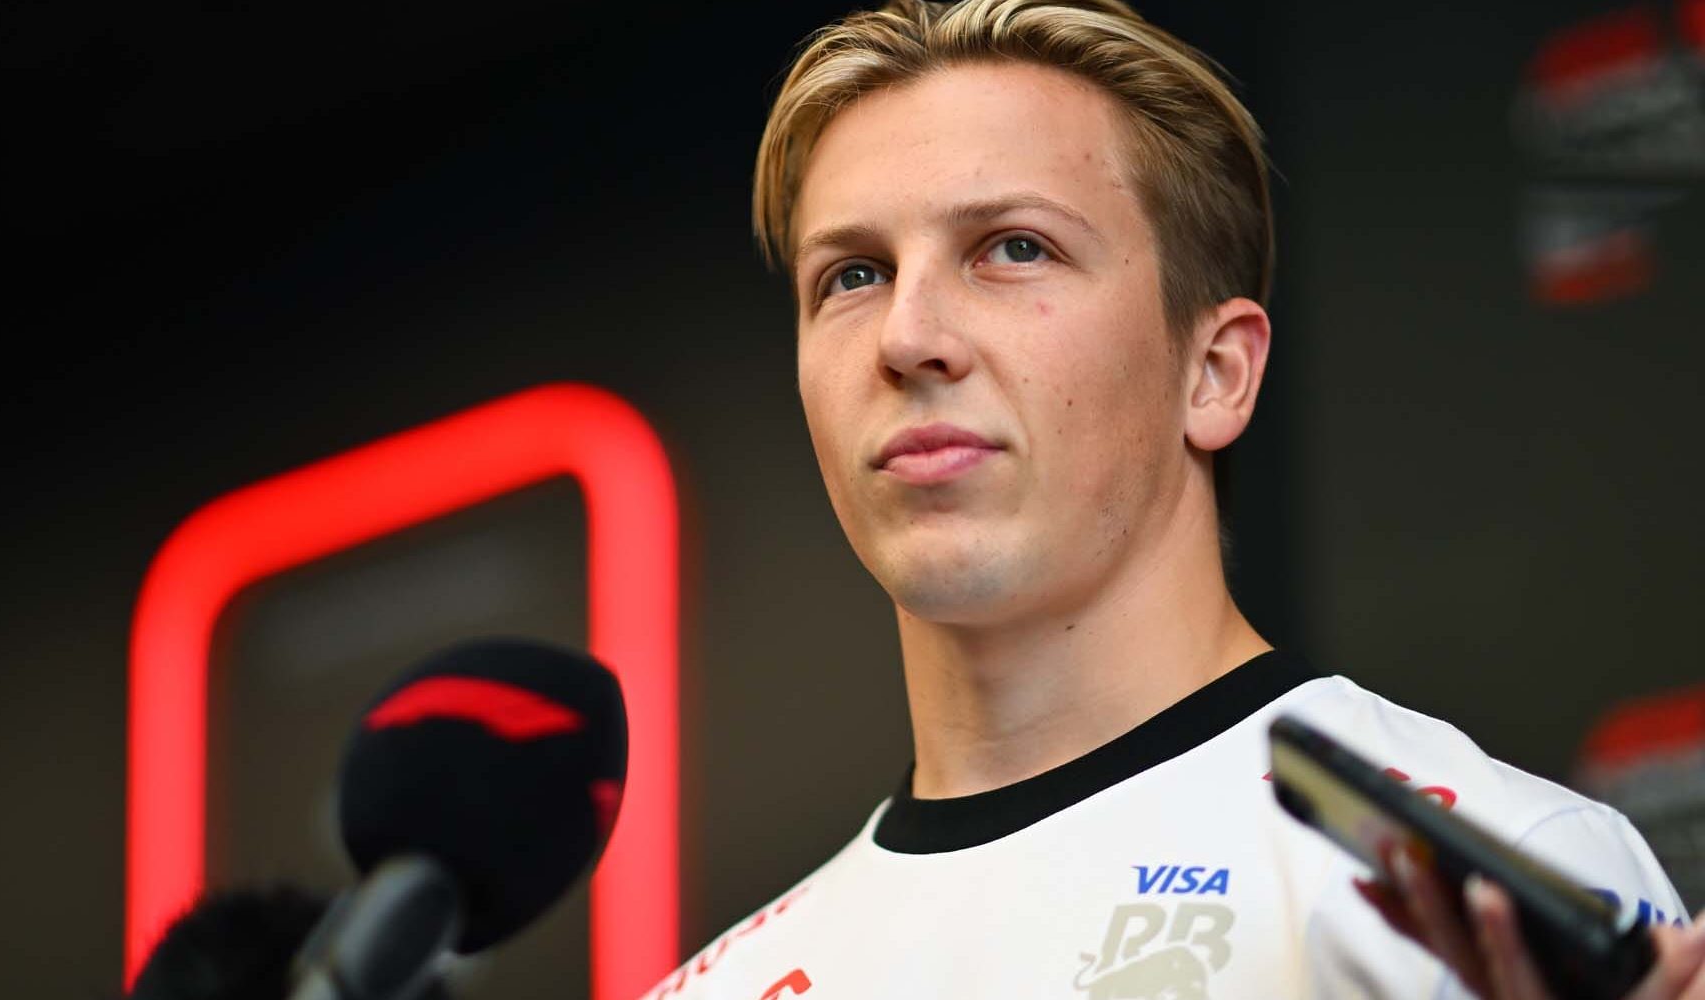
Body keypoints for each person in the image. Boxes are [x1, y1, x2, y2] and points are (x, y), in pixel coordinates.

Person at [639, 1, 1703, 997]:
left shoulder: (1499, 897)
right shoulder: (722, 982)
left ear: (1217, 373)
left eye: (1014, 248)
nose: (908, 336)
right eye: (853, 275)